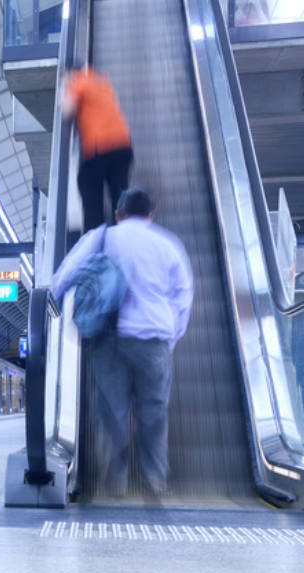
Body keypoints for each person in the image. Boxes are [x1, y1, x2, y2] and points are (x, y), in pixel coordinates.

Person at [51, 188, 192, 495]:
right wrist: (171, 338)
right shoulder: (167, 245)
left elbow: (63, 278)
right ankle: (155, 480)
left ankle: (116, 483)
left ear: (119, 213)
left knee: (112, 413)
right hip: (154, 339)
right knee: (154, 412)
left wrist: (51, 312)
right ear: (151, 215)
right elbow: (183, 297)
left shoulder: (101, 238)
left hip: (108, 341)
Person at [62, 66, 134, 232]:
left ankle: (96, 245)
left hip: (98, 149)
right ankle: (127, 237)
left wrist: (65, 89)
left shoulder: (77, 81)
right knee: (120, 197)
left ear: (71, 72)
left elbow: (67, 111)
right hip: (122, 146)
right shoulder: (101, 81)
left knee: (90, 196)